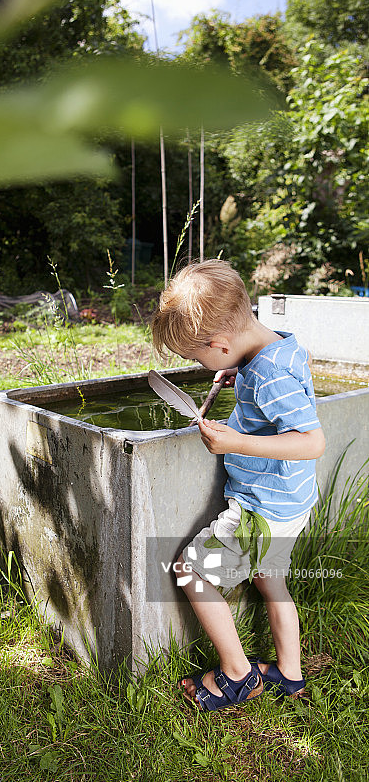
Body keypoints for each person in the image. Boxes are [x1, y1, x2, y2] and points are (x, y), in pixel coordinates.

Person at [150, 259, 326, 713]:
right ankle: (290, 674)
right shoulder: (278, 348)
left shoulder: (267, 374)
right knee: (272, 580)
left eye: (198, 357)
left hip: (260, 509)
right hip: (290, 504)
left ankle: (237, 674)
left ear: (220, 343)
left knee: (192, 570)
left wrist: (236, 441)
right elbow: (282, 386)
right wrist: (238, 370)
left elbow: (313, 442)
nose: (200, 365)